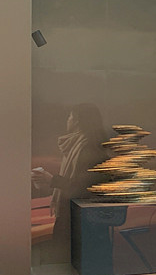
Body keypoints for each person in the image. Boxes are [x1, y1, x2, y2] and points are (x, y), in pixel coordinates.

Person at [32, 103, 107, 262]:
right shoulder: (79, 145)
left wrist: (51, 179)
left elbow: (81, 187)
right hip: (76, 217)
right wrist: (49, 181)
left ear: (77, 120)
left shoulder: (89, 148)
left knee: (69, 262)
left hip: (81, 220)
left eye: (70, 116)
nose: (68, 120)